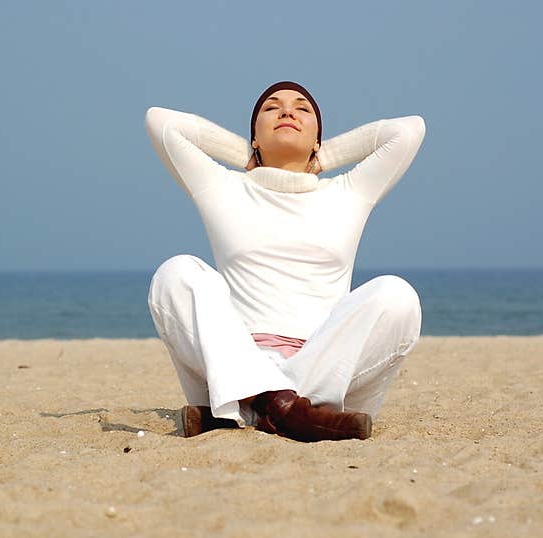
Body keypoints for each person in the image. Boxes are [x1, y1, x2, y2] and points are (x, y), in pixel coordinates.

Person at [145, 81, 426, 442]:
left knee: (397, 295)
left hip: (324, 366)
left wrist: (323, 158)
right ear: (255, 137)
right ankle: (280, 409)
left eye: (302, 108)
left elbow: (408, 130)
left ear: (317, 139)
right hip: (234, 361)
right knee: (177, 272)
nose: (288, 111)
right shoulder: (223, 188)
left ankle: (255, 411)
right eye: (271, 107)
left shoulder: (348, 193)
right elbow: (161, 123)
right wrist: (244, 154)